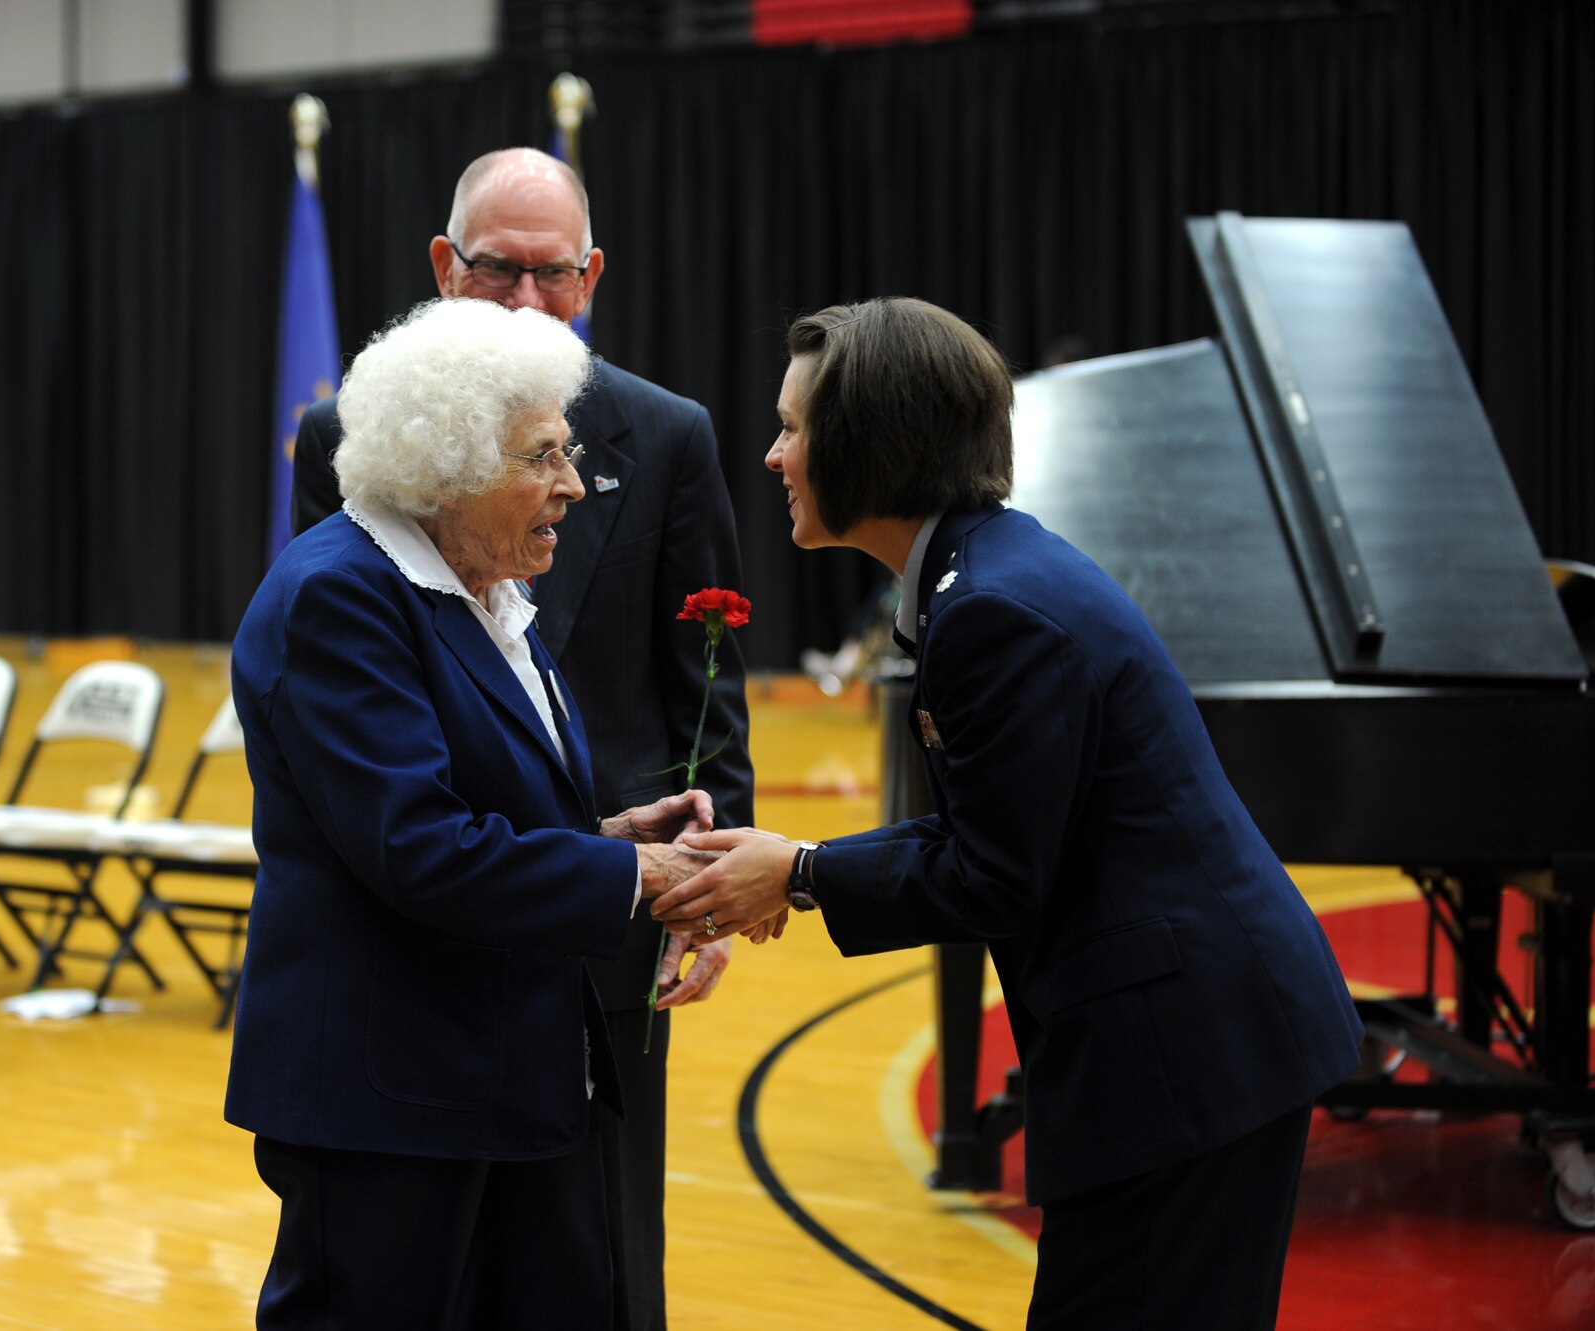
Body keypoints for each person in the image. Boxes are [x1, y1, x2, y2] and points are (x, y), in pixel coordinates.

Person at [657, 299, 1364, 1330]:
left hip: (1185, 1058)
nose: (772, 455)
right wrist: (794, 862)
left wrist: (800, 870)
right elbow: (993, 835)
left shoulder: (989, 610)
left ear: (869, 441)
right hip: (1193, 1042)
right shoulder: (988, 571)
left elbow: (991, 874)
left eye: (793, 428)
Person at [291, 146, 753, 1330]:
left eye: (553, 276)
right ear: (444, 265)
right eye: (498, 271)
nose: (568, 487)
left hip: (585, 943)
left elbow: (705, 680)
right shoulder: (360, 527)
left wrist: (684, 871)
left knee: (591, 1274)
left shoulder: (537, 554)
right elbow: (398, 806)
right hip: (419, 985)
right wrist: (626, 870)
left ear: (590, 276)